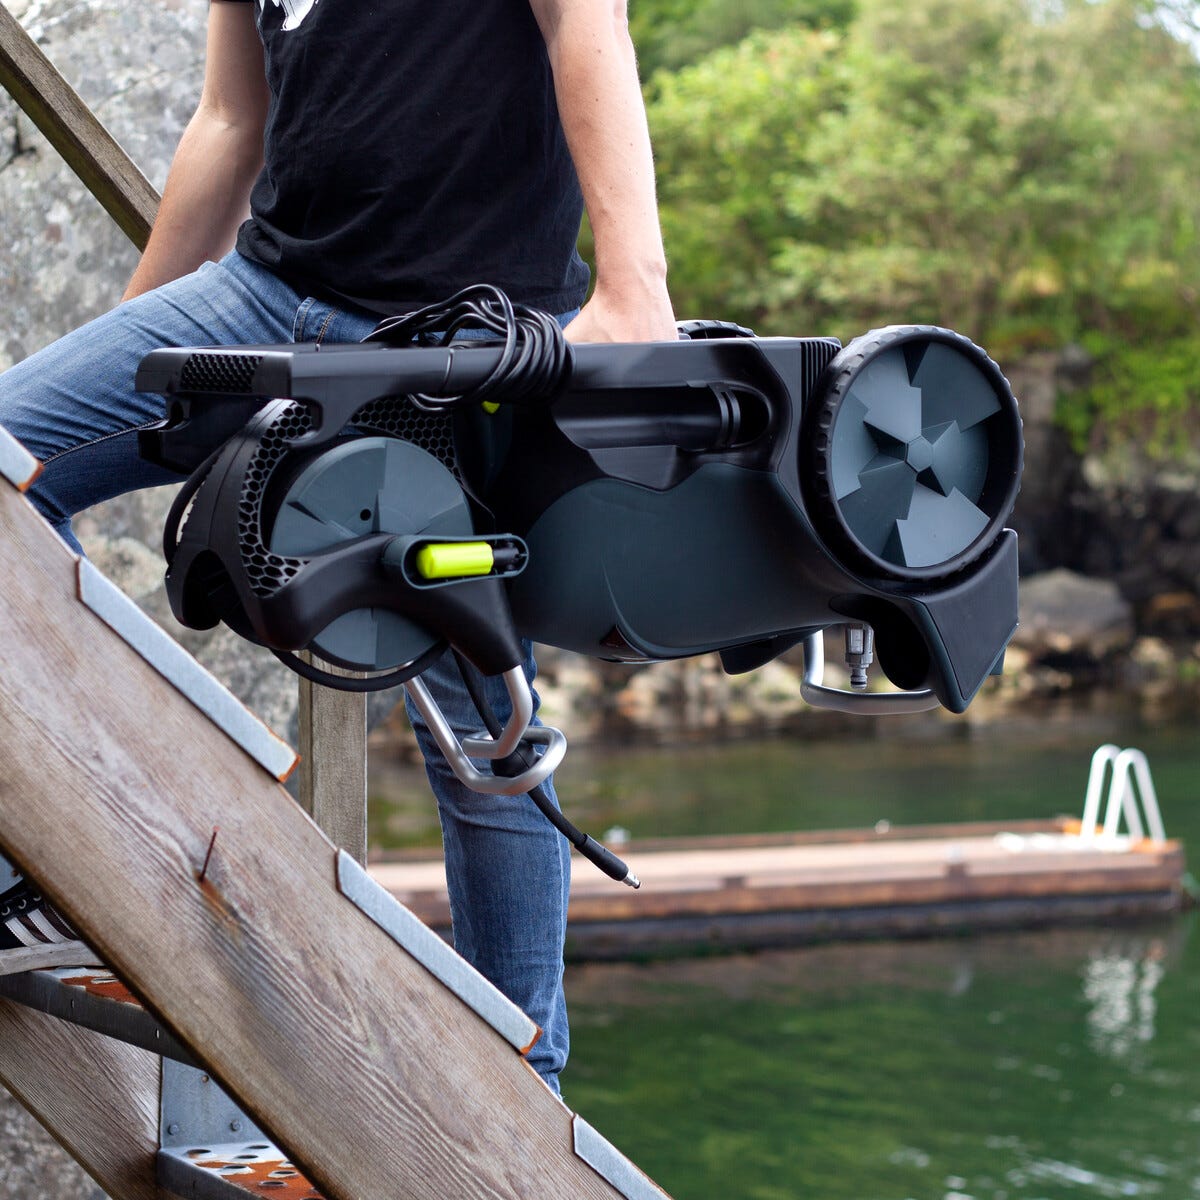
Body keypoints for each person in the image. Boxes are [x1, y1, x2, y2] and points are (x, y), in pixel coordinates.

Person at [0, 0, 675, 1094]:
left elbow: (585, 23)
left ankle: (524, 1089)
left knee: (485, 729)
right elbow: (231, 118)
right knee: (8, 465)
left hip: (461, 340)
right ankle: (69, 851)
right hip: (264, 297)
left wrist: (634, 293)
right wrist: (135, 338)